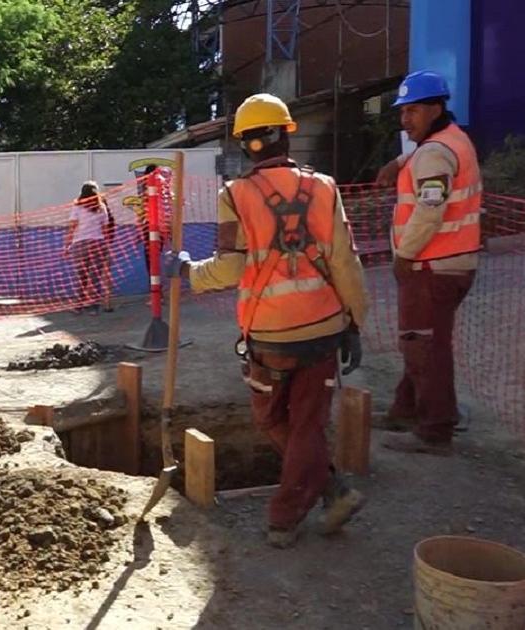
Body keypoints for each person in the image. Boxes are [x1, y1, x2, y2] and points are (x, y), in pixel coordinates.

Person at [163, 94, 369, 548]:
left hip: (268, 336)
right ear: (287, 134)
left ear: (244, 144)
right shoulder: (325, 188)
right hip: (323, 330)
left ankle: (284, 518)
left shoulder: (234, 195)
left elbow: (231, 268)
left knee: (271, 418)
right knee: (307, 425)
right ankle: (334, 489)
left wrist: (187, 271)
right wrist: (355, 321)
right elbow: (345, 262)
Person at [374, 71, 481, 456]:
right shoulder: (450, 139)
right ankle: (406, 410)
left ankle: (435, 429)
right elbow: (429, 158)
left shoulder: (435, 152)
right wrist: (399, 160)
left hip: (433, 265)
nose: (405, 120)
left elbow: (430, 209)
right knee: (421, 341)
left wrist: (405, 255)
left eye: (413, 111)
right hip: (450, 262)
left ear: (436, 109)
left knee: (424, 346)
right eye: (403, 112)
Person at [64, 181, 113, 314]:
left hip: (80, 244)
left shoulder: (77, 208)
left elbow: (72, 228)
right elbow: (105, 229)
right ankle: (94, 307)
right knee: (95, 276)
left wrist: (66, 246)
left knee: (81, 276)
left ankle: (78, 305)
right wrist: (107, 246)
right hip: (98, 243)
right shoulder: (101, 207)